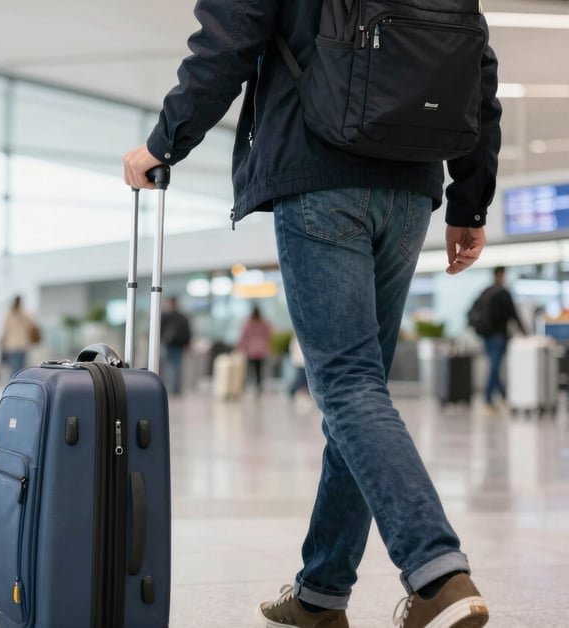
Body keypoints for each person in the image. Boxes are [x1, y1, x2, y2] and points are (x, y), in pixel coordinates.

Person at [122, 1, 499, 626]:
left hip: (321, 169)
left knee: (348, 386)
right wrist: (470, 198)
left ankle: (438, 574)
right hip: (410, 191)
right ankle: (322, 592)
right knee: (358, 393)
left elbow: (229, 37)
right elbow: (476, 65)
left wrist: (165, 141)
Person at [473, 266, 527, 410]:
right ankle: (489, 399)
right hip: (499, 336)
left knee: (494, 366)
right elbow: (514, 314)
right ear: (501, 275)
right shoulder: (503, 293)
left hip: (486, 336)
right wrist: (525, 332)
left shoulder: (485, 292)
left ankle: (502, 396)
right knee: (495, 367)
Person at [237, 305, 272, 394]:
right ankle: (258, 386)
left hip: (251, 351)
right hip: (261, 351)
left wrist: (240, 348)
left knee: (250, 370)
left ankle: (250, 385)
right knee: (259, 370)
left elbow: (243, 337)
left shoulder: (248, 324)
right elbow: (270, 335)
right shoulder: (264, 324)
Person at [0, 295, 39, 377]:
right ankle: (19, 385)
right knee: (22, 369)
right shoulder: (26, 314)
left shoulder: (9, 314)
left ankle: (14, 386)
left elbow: (5, 331)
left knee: (13, 369)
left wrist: (2, 342)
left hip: (12, 346)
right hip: (23, 345)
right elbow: (32, 326)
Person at [160, 296, 191, 395]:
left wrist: (187, 343)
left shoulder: (179, 317)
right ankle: (173, 388)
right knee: (171, 367)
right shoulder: (165, 316)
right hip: (168, 345)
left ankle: (175, 389)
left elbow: (187, 331)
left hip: (177, 346)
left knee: (176, 367)